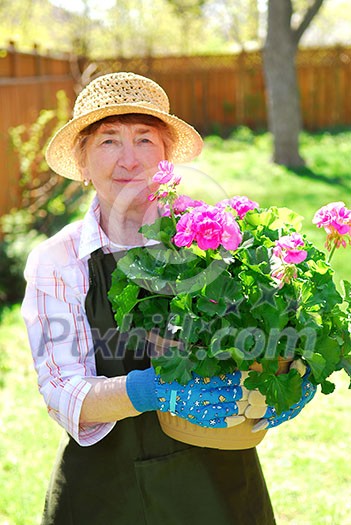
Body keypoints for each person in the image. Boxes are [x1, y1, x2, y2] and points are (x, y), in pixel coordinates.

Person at [21, 72, 315, 525]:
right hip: (106, 495)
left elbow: (271, 331)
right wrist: (153, 389)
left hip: (219, 483)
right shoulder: (56, 261)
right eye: (108, 142)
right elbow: (61, 392)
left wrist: (290, 378)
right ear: (81, 163)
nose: (128, 160)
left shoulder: (215, 238)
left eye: (144, 140)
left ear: (165, 159)